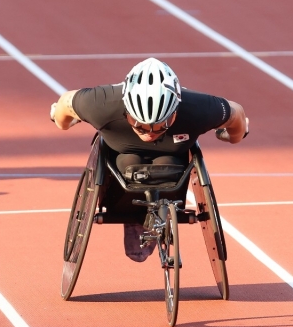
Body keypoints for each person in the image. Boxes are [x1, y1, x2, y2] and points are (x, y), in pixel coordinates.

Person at [50, 57, 248, 262]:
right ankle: (136, 216)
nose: (150, 132)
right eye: (140, 125)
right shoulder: (102, 103)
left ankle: (154, 215)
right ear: (126, 110)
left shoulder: (198, 108)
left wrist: (234, 137)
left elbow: (236, 113)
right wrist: (61, 122)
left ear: (175, 112)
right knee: (128, 163)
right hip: (122, 161)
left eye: (160, 125)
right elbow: (65, 102)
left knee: (168, 165)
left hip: (172, 159)